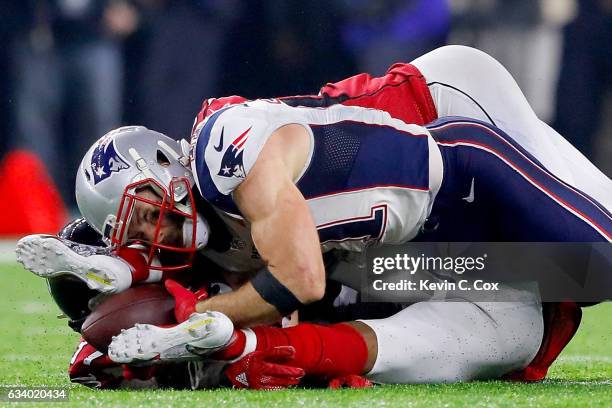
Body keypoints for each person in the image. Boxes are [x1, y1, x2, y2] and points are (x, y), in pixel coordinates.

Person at [17, 46, 612, 385]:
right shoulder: (213, 246)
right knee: (532, 307)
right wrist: (157, 346)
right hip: (406, 233)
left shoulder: (225, 148)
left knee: (595, 265)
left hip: (446, 106)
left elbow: (298, 279)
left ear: (167, 163)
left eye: (145, 215)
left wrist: (187, 319)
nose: (155, 235)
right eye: (136, 242)